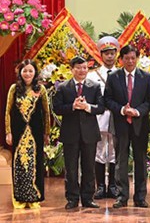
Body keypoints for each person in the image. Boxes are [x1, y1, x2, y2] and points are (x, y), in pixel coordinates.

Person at [104, 45, 150, 208]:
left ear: (137, 59)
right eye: (126, 58)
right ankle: (122, 196)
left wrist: (137, 111)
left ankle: (140, 197)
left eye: (133, 58)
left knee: (140, 160)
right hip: (120, 125)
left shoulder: (146, 77)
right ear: (121, 59)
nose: (130, 61)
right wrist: (122, 110)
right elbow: (107, 99)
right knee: (121, 160)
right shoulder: (113, 77)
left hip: (140, 124)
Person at [53, 56, 105, 209]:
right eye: (78, 68)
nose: (82, 71)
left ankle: (88, 198)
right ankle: (72, 198)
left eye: (84, 68)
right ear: (72, 69)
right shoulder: (63, 87)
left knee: (89, 167)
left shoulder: (95, 86)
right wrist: (72, 106)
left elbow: (101, 107)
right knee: (71, 168)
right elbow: (56, 108)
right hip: (70, 134)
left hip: (89, 133)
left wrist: (87, 107)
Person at [4, 59, 50, 209]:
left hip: (36, 132)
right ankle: (20, 197)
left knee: (35, 163)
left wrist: (46, 133)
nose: (28, 74)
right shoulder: (14, 89)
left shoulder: (40, 90)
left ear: (35, 72)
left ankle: (34, 197)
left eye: (30, 71)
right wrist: (8, 132)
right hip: (18, 132)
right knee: (19, 163)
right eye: (25, 71)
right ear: (20, 72)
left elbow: (46, 113)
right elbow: (8, 112)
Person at [86, 36, 120, 199]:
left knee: (113, 151)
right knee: (99, 151)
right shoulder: (92, 76)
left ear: (116, 54)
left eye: (112, 53)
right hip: (99, 117)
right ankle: (100, 186)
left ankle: (113, 186)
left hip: (116, 117)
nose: (109, 56)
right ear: (101, 55)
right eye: (106, 53)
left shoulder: (121, 74)